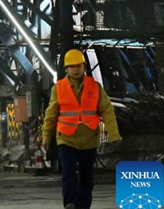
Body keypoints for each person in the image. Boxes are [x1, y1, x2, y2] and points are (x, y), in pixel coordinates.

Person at [41, 49, 122, 209]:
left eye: (78, 66)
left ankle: (84, 206)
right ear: (66, 69)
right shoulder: (58, 88)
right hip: (66, 139)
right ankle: (69, 203)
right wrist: (46, 137)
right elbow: (51, 115)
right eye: (72, 66)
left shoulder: (95, 87)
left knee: (87, 177)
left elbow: (107, 111)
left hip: (88, 140)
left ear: (84, 66)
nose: (76, 69)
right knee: (69, 174)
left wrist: (114, 135)